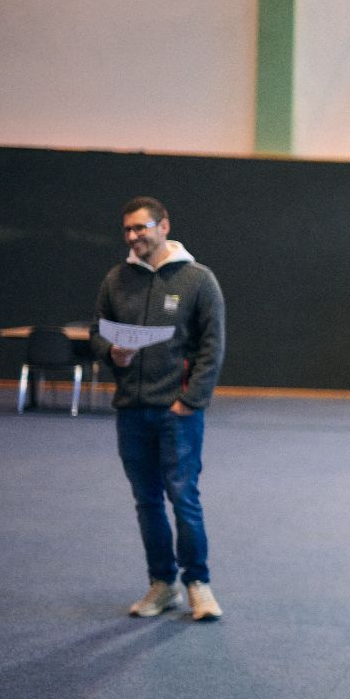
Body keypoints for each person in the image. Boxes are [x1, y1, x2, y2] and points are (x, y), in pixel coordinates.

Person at [91, 196, 226, 621]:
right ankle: (162, 584)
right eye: (127, 230)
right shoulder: (116, 279)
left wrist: (190, 400)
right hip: (131, 411)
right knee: (146, 501)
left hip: (177, 413)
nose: (133, 236)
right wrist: (111, 351)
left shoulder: (199, 279)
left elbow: (212, 346)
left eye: (141, 228)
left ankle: (198, 585)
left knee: (184, 498)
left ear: (163, 226)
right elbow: (97, 331)